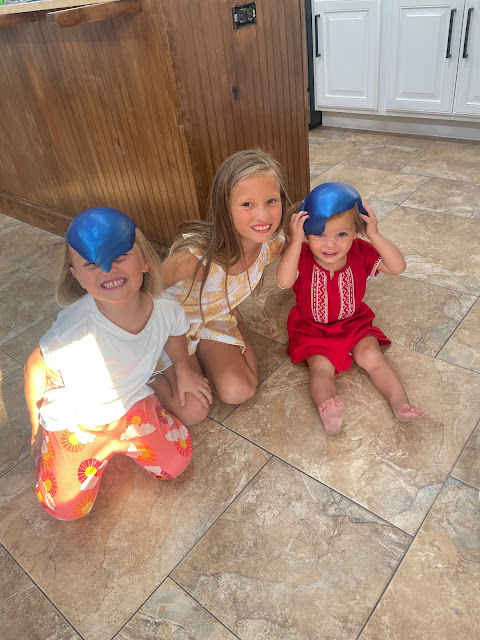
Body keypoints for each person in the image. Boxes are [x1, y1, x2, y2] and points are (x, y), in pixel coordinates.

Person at [24, 207, 211, 520]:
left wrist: (183, 370)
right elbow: (35, 365)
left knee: (176, 463)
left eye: (120, 256)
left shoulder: (165, 308)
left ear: (145, 261)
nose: (108, 269)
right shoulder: (75, 327)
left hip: (130, 402)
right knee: (66, 509)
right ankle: (55, 453)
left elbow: (175, 331)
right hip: (78, 418)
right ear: (77, 276)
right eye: (91, 263)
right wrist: (35, 425)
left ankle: (133, 423)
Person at [277, 182, 424, 436]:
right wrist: (295, 242)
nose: (330, 244)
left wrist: (374, 234)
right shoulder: (300, 255)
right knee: (321, 368)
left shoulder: (361, 252)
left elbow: (397, 266)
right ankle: (328, 409)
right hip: (312, 328)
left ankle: (400, 403)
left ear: (357, 231)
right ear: (306, 233)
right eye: (320, 234)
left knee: (371, 356)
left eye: (342, 234)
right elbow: (283, 281)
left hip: (353, 323)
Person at [151, 149, 288, 412]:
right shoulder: (195, 258)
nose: (263, 216)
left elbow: (309, 253)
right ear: (225, 207)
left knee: (242, 390)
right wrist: (181, 366)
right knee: (193, 410)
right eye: (247, 204)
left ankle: (231, 328)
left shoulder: (272, 243)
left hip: (211, 317)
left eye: (271, 201)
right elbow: (146, 292)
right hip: (169, 327)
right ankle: (150, 376)